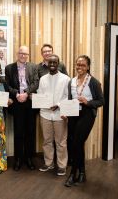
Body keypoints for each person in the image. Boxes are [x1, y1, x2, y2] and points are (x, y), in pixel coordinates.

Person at [64, 55, 104, 187]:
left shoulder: (93, 82)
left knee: (77, 142)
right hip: (74, 113)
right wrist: (65, 112)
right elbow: (70, 99)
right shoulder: (72, 81)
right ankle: (82, 173)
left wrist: (88, 102)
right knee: (75, 143)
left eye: (82, 65)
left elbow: (101, 101)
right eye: (78, 64)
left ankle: (72, 174)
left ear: (88, 67)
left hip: (87, 114)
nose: (79, 67)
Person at [5, 45, 39, 171]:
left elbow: (36, 83)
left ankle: (29, 158)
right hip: (17, 102)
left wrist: (26, 93)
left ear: (28, 55)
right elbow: (7, 85)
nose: (23, 56)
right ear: (17, 54)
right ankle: (18, 159)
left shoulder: (33, 67)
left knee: (30, 131)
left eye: (26, 54)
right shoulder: (9, 68)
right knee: (18, 132)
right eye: (21, 53)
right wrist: (16, 94)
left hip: (29, 101)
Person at [37, 54, 70, 176]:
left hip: (59, 114)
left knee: (61, 142)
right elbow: (40, 94)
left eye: (54, 62)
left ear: (58, 63)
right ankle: (49, 163)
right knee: (47, 141)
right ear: (47, 63)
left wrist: (58, 104)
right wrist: (37, 99)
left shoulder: (66, 79)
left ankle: (62, 166)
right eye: (50, 62)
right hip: (45, 114)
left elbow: (68, 96)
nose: (52, 65)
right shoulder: (43, 79)